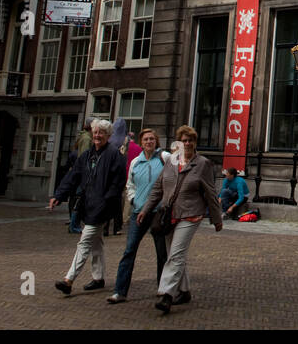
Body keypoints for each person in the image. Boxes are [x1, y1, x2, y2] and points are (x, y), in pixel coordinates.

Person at [138, 125, 222, 313]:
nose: (187, 143)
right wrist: (145, 209)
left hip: (191, 214)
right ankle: (184, 291)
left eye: (190, 140)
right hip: (169, 214)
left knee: (175, 254)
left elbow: (211, 193)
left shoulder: (203, 164)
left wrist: (217, 219)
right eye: (184, 140)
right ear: (179, 143)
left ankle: (166, 294)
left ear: (195, 142)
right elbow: (158, 188)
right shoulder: (172, 161)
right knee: (175, 254)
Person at [48, 119, 127, 295]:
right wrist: (58, 195)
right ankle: (98, 278)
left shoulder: (115, 155)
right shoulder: (86, 155)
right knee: (96, 243)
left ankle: (69, 280)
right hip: (88, 205)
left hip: (102, 206)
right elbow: (73, 176)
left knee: (84, 241)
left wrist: (105, 201)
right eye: (96, 132)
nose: (98, 135)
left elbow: (117, 183)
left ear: (108, 136)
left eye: (101, 133)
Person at [108, 128, 172, 304]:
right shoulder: (136, 162)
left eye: (152, 139)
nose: (149, 142)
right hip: (139, 213)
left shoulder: (164, 158)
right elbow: (130, 184)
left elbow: (175, 176)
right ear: (142, 142)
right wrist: (134, 200)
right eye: (146, 139)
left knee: (162, 253)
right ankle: (120, 291)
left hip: (158, 213)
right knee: (129, 250)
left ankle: (163, 289)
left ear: (156, 141)